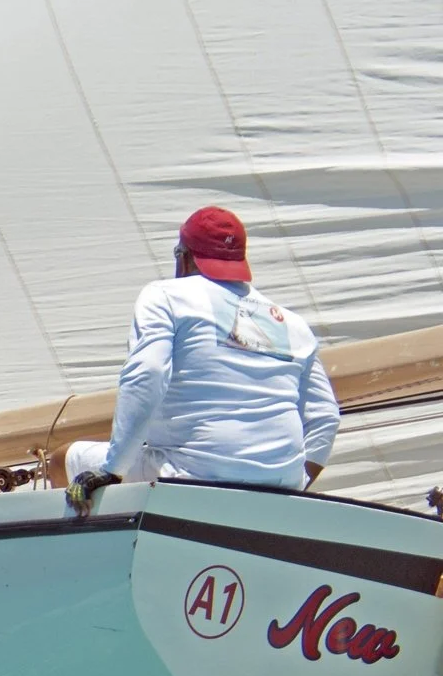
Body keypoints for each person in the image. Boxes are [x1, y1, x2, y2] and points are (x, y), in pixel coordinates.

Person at [55, 206, 341, 513]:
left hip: (191, 475)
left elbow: (148, 374)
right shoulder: (291, 323)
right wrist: (294, 484)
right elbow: (325, 417)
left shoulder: (166, 295)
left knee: (61, 460)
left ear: (185, 256)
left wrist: (112, 470)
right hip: (280, 484)